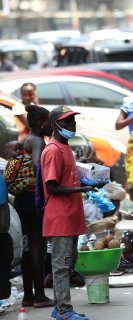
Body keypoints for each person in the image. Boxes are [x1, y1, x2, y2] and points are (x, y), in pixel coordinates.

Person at [42, 106, 94, 320]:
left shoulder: (66, 148)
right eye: (67, 122)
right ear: (55, 125)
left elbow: (66, 179)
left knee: (68, 264)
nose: (72, 125)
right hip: (60, 218)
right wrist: (81, 189)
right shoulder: (53, 150)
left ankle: (60, 307)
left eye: (73, 121)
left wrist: (87, 181)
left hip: (71, 216)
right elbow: (52, 187)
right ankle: (64, 310)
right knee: (61, 266)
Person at [4, 105, 54, 308]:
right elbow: (37, 166)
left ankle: (29, 296)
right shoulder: (37, 142)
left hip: (23, 200)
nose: (52, 125)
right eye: (50, 121)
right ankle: (39, 296)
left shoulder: (29, 140)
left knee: (28, 247)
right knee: (37, 248)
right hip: (33, 200)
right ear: (42, 122)